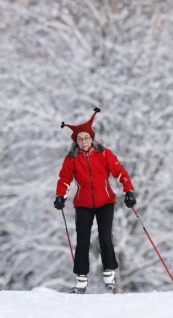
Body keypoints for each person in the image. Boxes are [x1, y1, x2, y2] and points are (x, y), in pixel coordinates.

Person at [54, 107, 136, 294]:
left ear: (92, 138)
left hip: (105, 201)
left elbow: (120, 172)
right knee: (82, 240)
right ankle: (81, 279)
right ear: (76, 141)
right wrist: (60, 196)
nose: (83, 142)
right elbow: (64, 179)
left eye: (86, 138)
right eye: (80, 139)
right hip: (83, 204)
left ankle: (109, 272)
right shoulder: (71, 159)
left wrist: (129, 191)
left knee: (105, 237)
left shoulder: (104, 154)